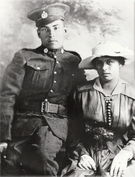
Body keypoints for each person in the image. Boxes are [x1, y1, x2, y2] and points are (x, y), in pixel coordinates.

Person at [0, 2, 86, 176]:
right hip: (22, 123)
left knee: (43, 158)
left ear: (65, 30)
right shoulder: (24, 57)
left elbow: (79, 101)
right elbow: (7, 97)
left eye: (56, 28)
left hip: (55, 125)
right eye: (46, 29)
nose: (51, 34)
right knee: (8, 162)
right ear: (38, 33)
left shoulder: (74, 61)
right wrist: (3, 136)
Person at [62, 41, 135, 177]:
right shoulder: (81, 93)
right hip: (86, 154)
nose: (104, 68)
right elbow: (72, 130)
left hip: (120, 155)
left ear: (120, 63)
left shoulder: (131, 96)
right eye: (99, 63)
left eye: (109, 62)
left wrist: (126, 153)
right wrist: (81, 154)